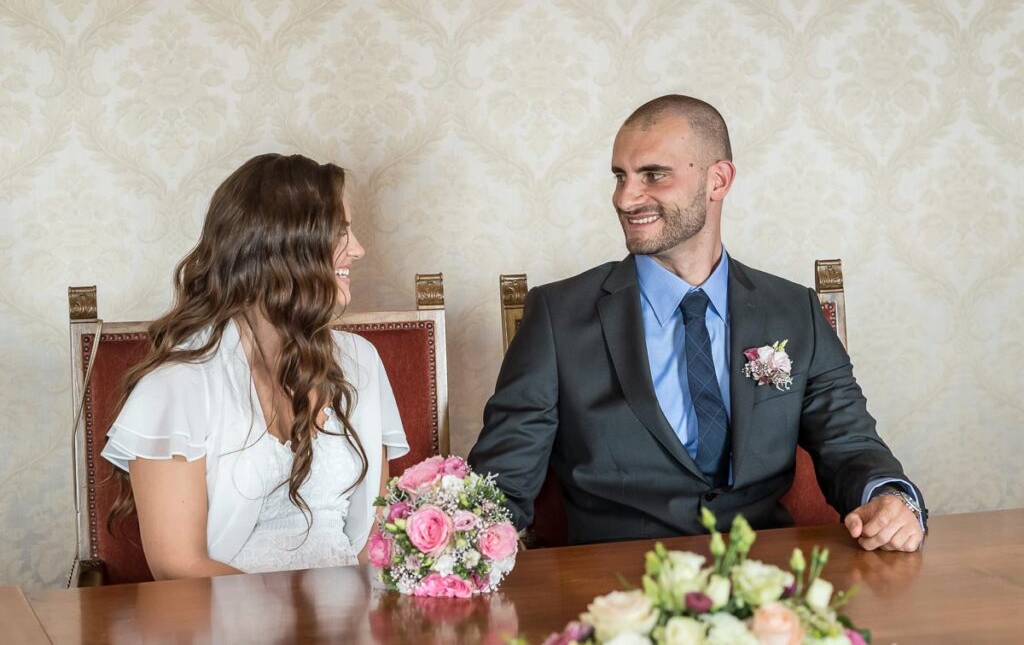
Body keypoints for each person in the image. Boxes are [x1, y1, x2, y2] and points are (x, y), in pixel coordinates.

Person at [468, 95, 925, 552]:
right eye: (620, 177)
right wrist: (454, 545)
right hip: (612, 593)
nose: (626, 198)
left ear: (717, 180)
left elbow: (849, 442)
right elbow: (501, 484)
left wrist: (888, 498)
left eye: (654, 175)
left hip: (766, 584)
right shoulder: (556, 315)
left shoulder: (793, 311)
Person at [101, 153, 409, 579]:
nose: (358, 249)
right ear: (283, 246)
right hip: (228, 622)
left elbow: (375, 538)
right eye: (341, 232)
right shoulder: (176, 387)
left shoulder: (361, 362)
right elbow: (179, 566)